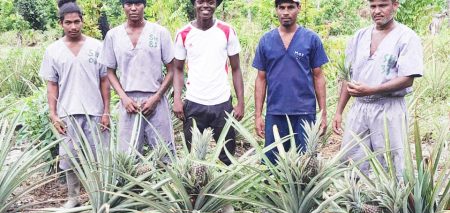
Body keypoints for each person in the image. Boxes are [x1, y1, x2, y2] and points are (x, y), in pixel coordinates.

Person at [332, 0, 423, 176]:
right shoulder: (359, 36)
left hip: (389, 108)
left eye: (383, 5)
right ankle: (354, 203)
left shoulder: (406, 37)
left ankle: (392, 203)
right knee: (351, 160)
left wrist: (372, 90)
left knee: (392, 161)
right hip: (359, 108)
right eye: (373, 6)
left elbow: (407, 79)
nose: (377, 11)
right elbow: (347, 76)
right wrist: (339, 111)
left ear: (395, 5)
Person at [39, 0, 110, 208]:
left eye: (76, 21)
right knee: (69, 157)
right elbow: (52, 86)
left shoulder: (97, 47)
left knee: (98, 156)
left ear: (82, 21)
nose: (73, 26)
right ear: (61, 23)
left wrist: (106, 111)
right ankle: (73, 197)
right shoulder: (53, 50)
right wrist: (53, 114)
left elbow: (105, 81)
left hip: (95, 112)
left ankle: (99, 197)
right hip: (67, 112)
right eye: (68, 22)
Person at [253, 0, 328, 164]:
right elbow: (261, 78)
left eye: (290, 7)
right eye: (281, 8)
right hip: (275, 113)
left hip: (304, 113)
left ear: (298, 8)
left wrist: (323, 113)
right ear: (276, 10)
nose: (285, 12)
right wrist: (258, 115)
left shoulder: (311, 39)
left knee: (306, 164)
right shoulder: (266, 40)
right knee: (272, 165)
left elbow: (318, 77)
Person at [173, 0, 245, 166]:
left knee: (227, 155)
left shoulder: (227, 31)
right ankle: (196, 191)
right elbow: (177, 69)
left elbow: (236, 68)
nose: (205, 5)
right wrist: (177, 98)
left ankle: (226, 188)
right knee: (193, 155)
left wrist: (240, 103)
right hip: (194, 102)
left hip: (221, 103)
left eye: (211, 2)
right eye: (200, 1)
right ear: (194, 3)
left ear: (216, 4)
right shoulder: (183, 33)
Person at [99, 0, 175, 155]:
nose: (133, 8)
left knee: (164, 153)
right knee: (127, 156)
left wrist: (157, 97)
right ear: (123, 6)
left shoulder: (159, 32)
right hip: (128, 103)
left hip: (156, 101)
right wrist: (123, 98)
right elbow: (110, 71)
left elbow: (172, 70)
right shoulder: (113, 35)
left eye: (138, 3)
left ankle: (166, 180)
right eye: (128, 4)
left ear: (144, 5)